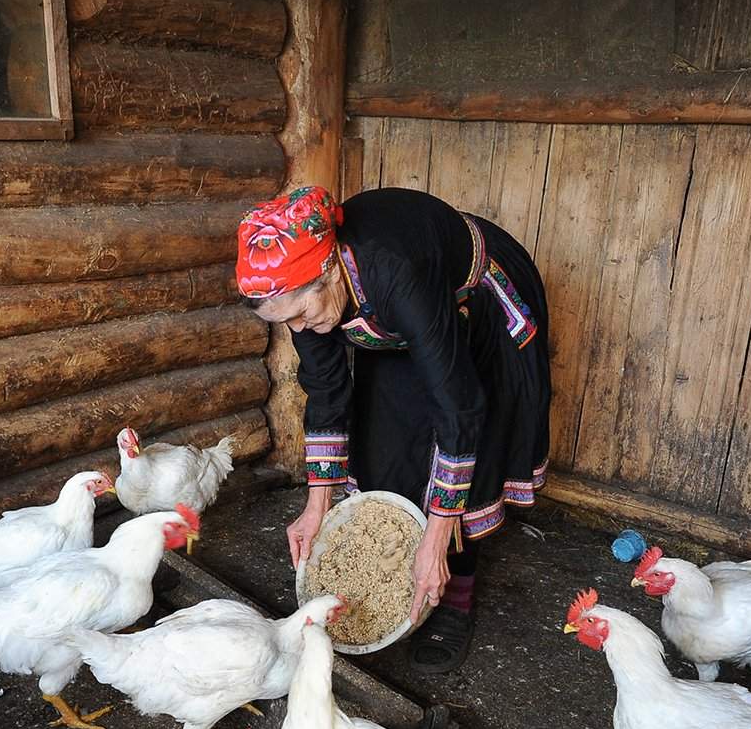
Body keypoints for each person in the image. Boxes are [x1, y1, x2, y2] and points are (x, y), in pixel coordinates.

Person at [237, 184, 552, 673]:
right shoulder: (306, 301)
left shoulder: (394, 270)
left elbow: (459, 407)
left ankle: (455, 592)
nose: (297, 329)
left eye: (300, 314)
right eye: (284, 323)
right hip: (400, 314)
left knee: (471, 446)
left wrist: (437, 537)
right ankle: (407, 567)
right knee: (386, 441)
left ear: (329, 274)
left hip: (477, 301)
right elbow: (325, 389)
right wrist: (316, 505)